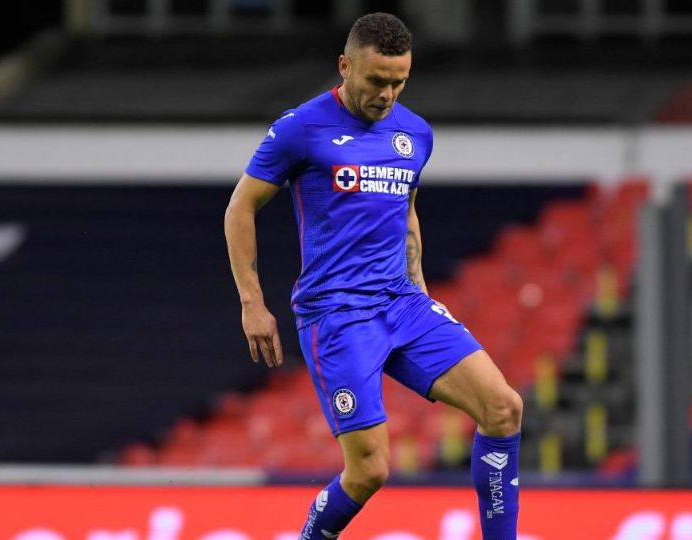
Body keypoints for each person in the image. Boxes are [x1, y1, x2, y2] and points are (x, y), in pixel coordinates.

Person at [224, 12, 523, 539]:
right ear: (345, 66)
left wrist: (421, 290)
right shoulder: (302, 128)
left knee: (503, 408)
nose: (387, 94)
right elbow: (241, 208)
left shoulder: (416, 134)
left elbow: (404, 209)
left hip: (402, 303)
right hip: (337, 314)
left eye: (399, 81)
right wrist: (253, 302)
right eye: (376, 81)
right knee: (369, 471)